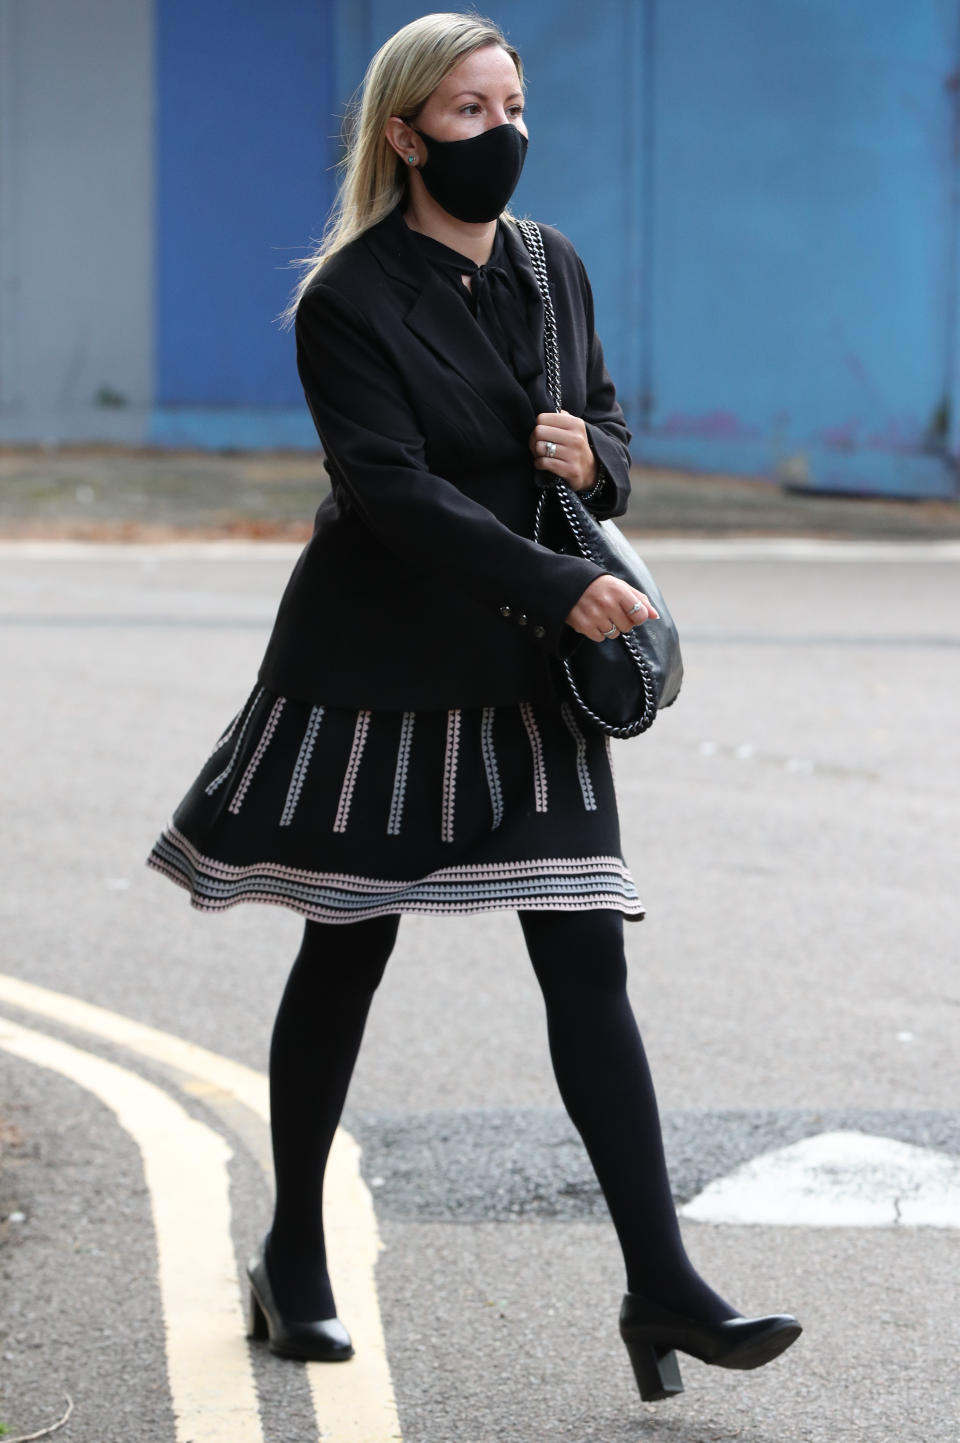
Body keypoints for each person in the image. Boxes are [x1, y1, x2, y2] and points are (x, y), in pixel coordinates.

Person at [147, 10, 800, 1405]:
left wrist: (596, 458)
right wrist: (549, 583)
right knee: (346, 951)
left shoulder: (552, 268)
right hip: (384, 668)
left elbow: (604, 433)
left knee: (588, 965)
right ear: (403, 134)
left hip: (530, 675)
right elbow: (388, 492)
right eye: (467, 113)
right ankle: (294, 1252)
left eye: (514, 105)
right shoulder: (348, 300)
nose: (502, 133)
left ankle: (664, 1286)